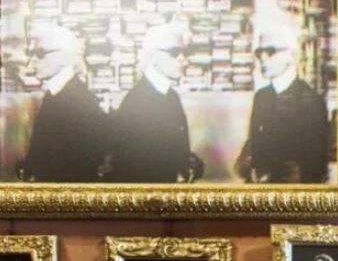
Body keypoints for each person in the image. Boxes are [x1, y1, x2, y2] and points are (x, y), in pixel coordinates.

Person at [109, 23, 204, 183]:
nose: (183, 60)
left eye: (184, 52)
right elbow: (135, 166)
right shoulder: (136, 103)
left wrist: (191, 164)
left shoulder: (171, 96)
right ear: (152, 57)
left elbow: (173, 149)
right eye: (174, 53)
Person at [235, 25, 330, 184]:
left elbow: (317, 164)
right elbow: (254, 142)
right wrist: (245, 162)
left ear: (291, 55)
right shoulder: (261, 97)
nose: (263, 58)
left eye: (271, 52)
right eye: (259, 53)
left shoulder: (311, 100)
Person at [19, 24, 109, 183]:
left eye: (40, 54)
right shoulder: (55, 93)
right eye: (31, 54)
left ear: (63, 57)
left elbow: (79, 168)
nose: (31, 62)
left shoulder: (79, 102)